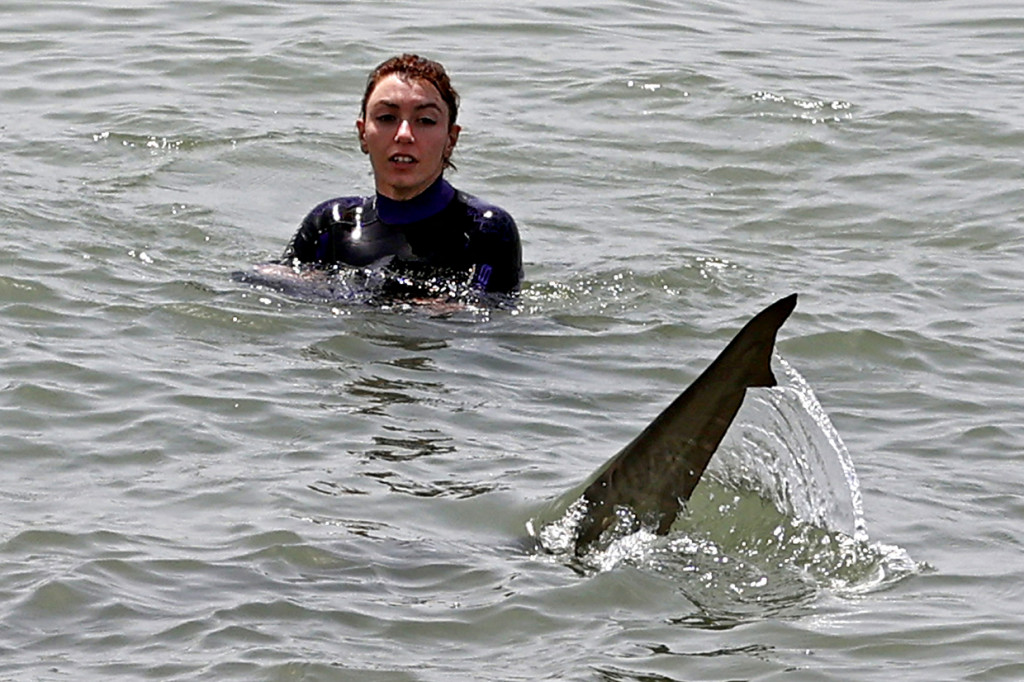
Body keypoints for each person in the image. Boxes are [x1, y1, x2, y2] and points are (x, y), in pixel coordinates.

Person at [278, 54, 523, 302]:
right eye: (386, 118)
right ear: (363, 134)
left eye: (425, 121)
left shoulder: (484, 229)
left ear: (451, 139)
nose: (404, 134)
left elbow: (490, 323)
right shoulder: (331, 223)